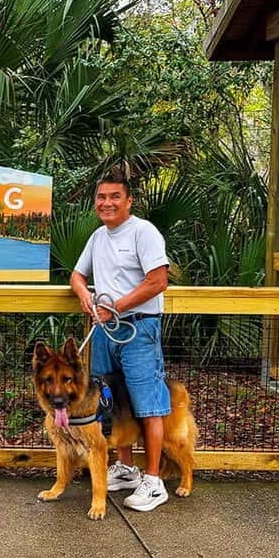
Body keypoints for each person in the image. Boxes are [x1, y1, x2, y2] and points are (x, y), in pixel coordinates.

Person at [70, 167, 171, 512]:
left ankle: (154, 481)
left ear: (129, 200)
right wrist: (84, 294)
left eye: (115, 197)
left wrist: (117, 307)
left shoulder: (144, 233)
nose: (107, 203)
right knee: (111, 401)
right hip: (104, 331)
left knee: (148, 403)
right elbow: (77, 274)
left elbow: (158, 281)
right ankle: (126, 468)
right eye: (102, 197)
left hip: (138, 329)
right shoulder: (98, 237)